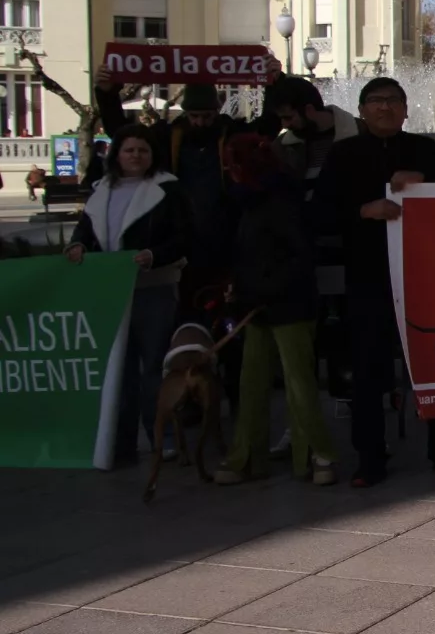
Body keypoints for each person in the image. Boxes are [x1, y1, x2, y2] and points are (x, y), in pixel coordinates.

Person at [313, 77, 435, 487]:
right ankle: (370, 457)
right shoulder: (343, 155)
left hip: (423, 274)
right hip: (368, 276)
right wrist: (364, 210)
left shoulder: (425, 150)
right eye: (375, 101)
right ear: (361, 110)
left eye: (393, 101)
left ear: (406, 109)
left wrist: (423, 183)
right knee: (367, 369)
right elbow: (321, 214)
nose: (384, 108)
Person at [212, 134, 339, 487]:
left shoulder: (279, 200)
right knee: (251, 381)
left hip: (288, 304)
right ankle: (248, 456)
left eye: (232, 164)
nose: (228, 170)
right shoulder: (247, 201)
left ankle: (318, 454)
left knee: (299, 384)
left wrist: (264, 289)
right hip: (259, 303)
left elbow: (300, 254)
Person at [64, 125, 188, 466]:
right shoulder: (101, 191)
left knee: (154, 368)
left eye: (143, 151)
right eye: (130, 150)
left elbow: (183, 236)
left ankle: (161, 436)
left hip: (154, 289)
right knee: (119, 371)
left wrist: (153, 256)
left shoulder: (167, 189)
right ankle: (119, 444)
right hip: (111, 293)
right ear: (116, 154)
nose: (136, 156)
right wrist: (77, 245)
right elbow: (86, 230)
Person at [264, 74, 363, 460]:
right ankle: (300, 426)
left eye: (289, 116)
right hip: (302, 261)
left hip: (350, 254)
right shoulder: (283, 145)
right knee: (303, 349)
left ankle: (361, 425)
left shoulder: (355, 135)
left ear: (310, 109)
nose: (285, 125)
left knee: (350, 344)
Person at [94, 74, 239, 324]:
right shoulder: (167, 136)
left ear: (216, 112)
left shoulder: (232, 134)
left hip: (224, 241)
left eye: (207, 116)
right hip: (180, 243)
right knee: (183, 315)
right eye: (194, 116)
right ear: (185, 114)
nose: (201, 123)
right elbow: (123, 134)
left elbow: (267, 128)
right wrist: (107, 94)